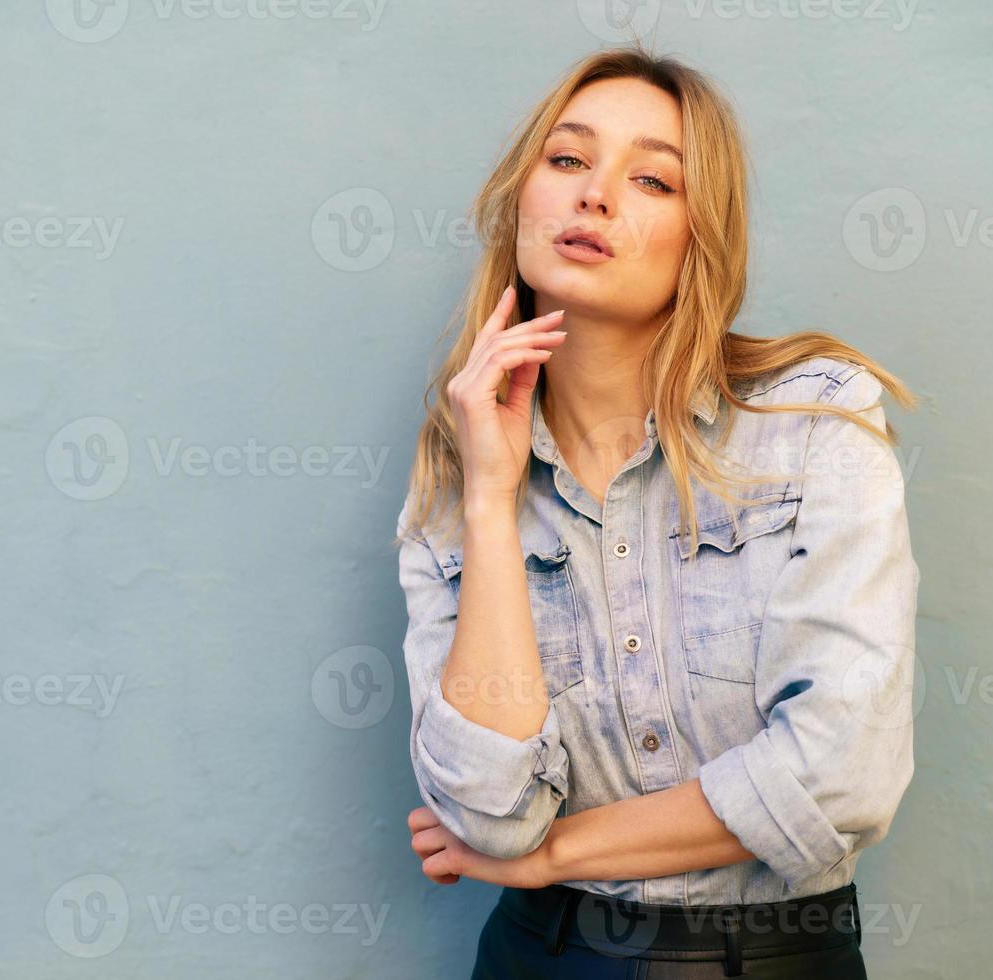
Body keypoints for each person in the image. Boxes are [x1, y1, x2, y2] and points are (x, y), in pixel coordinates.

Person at [393, 44, 921, 979]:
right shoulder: (455, 474)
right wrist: (488, 497)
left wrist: (555, 853)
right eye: (567, 160)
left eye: (650, 179)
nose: (595, 195)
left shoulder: (816, 421)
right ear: (523, 201)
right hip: (540, 959)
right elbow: (484, 810)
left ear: (701, 235)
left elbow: (842, 778)